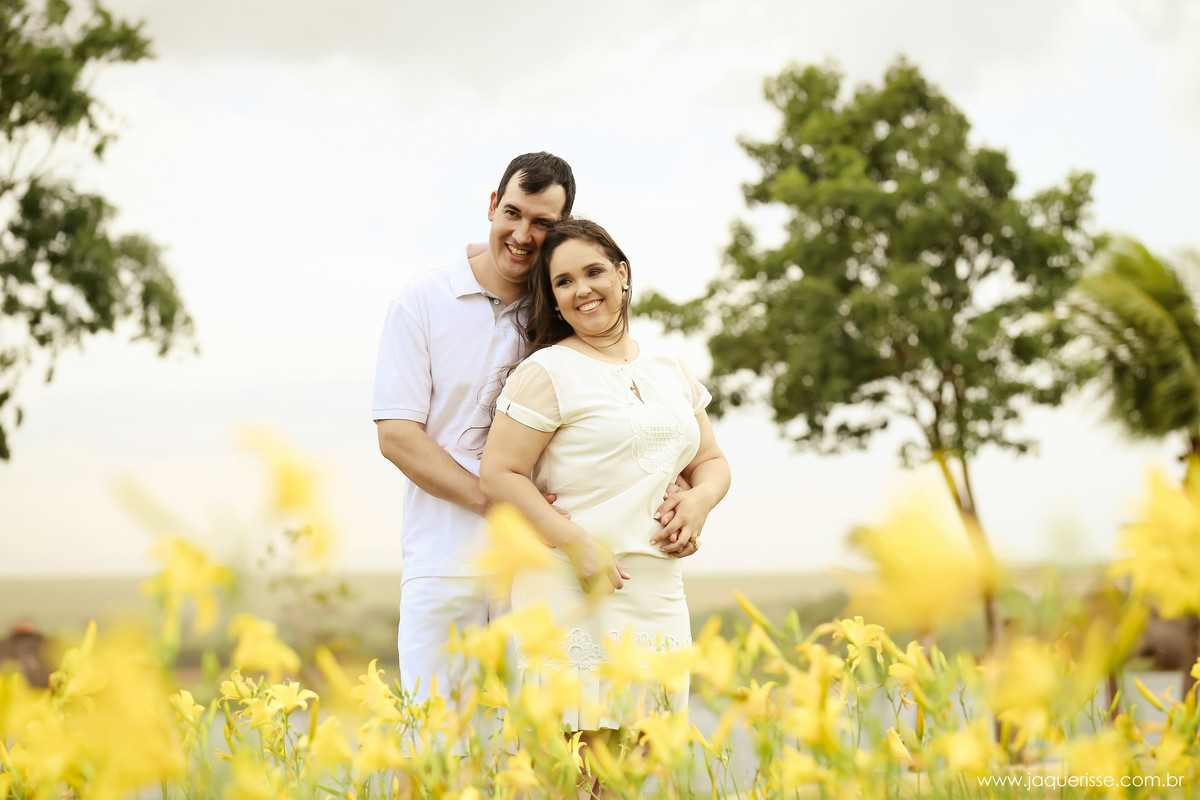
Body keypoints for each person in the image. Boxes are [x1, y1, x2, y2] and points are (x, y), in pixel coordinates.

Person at [372, 154, 696, 704]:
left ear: (561, 229)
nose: (523, 235)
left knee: (531, 757)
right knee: (436, 745)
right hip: (448, 561)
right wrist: (499, 500)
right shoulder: (423, 301)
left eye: (542, 223)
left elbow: (615, 412)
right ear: (493, 207)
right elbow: (397, 436)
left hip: (548, 574)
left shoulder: (566, 312)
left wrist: (676, 483)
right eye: (514, 214)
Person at [479, 219, 731, 783]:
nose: (581, 289)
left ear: (622, 275)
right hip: (572, 588)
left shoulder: (669, 368)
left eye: (593, 272)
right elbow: (499, 473)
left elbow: (711, 462)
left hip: (658, 592)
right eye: (563, 281)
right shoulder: (546, 371)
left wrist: (698, 504)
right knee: (574, 776)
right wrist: (574, 543)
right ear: (555, 298)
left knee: (636, 775)